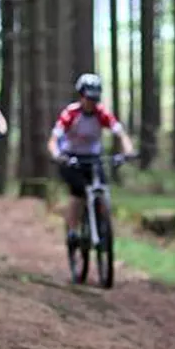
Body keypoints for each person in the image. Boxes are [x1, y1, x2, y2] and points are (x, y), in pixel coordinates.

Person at [47, 73, 135, 249]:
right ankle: (72, 231)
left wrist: (128, 151)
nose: (92, 102)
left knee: (101, 188)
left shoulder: (101, 113)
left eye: (95, 99)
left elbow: (120, 133)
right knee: (78, 192)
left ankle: (102, 225)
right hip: (70, 157)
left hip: (93, 157)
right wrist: (57, 155)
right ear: (81, 96)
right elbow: (53, 140)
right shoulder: (71, 113)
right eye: (89, 98)